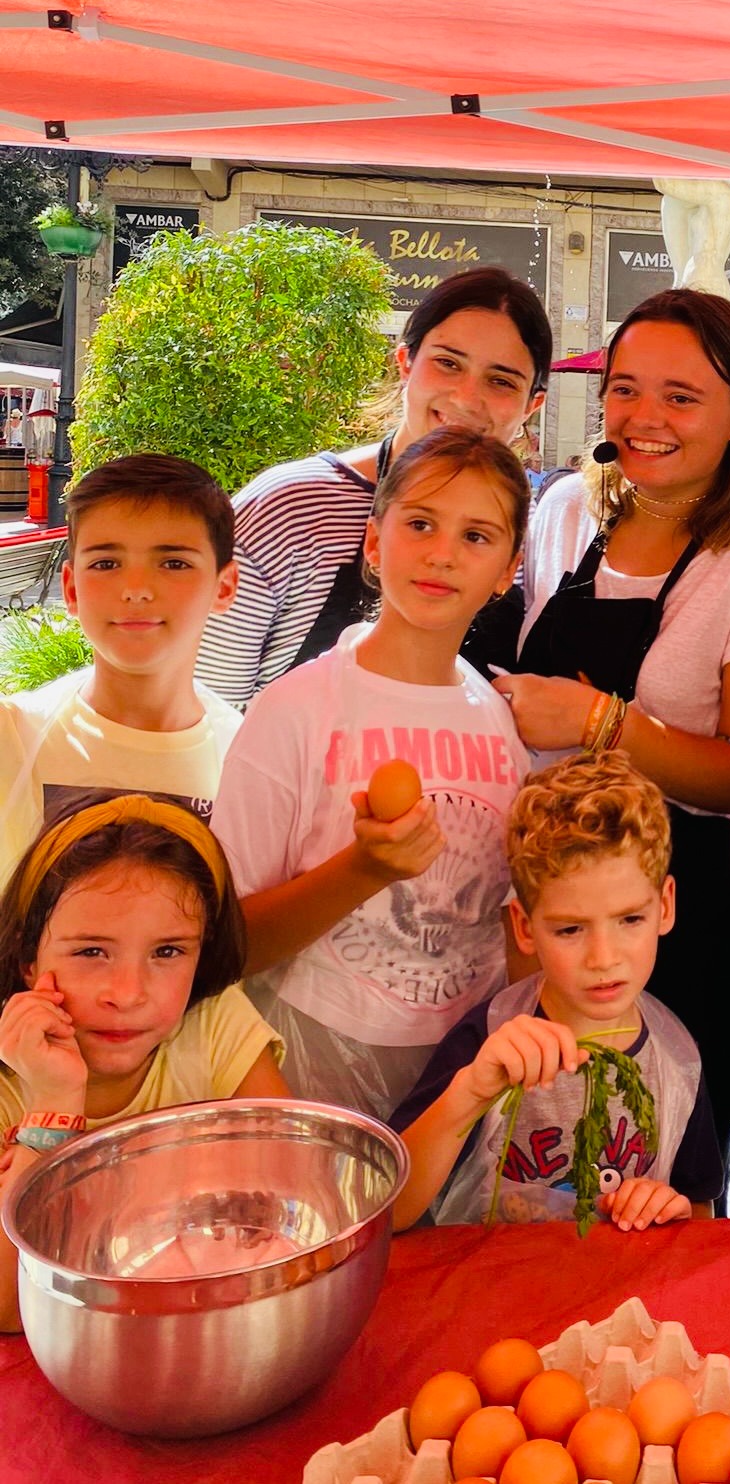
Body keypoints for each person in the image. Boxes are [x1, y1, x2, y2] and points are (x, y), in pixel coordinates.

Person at [497, 288, 730, 1179]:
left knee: (664, 1183)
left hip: (672, 914)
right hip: (546, 900)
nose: (645, 417)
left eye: (681, 396)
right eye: (626, 389)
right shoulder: (567, 514)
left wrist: (602, 723)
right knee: (538, 1168)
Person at [210, 429, 531, 1120]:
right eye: (420, 523)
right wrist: (363, 868)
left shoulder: (501, 721)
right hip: (313, 1057)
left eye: (477, 537)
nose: (442, 553)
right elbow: (224, 945)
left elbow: (507, 921)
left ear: (509, 569)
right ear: (374, 543)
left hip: (465, 1067)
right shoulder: (296, 709)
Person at [391, 752, 722, 1229]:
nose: (603, 957)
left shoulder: (679, 1059)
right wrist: (470, 1091)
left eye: (630, 919)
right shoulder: (489, 1039)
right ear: (525, 927)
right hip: (499, 1292)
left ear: (665, 906)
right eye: (570, 930)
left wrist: (669, 1208)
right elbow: (393, 1212)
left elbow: (698, 1209)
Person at [195, 267, 552, 708]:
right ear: (404, 363)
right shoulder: (290, 507)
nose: (466, 397)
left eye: (500, 380)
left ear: (532, 405)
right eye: (447, 363)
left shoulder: (537, 533)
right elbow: (207, 708)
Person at [0, 793, 288, 1330]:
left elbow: (291, 1208)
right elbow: (9, 1307)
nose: (128, 993)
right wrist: (54, 1102)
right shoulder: (9, 1081)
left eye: (167, 952)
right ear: (26, 958)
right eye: (91, 952)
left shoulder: (213, 1028)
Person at [0, 455, 241, 886]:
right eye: (107, 564)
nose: (136, 590)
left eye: (173, 563)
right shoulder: (15, 736)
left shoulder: (248, 757)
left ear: (223, 587)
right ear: (72, 589)